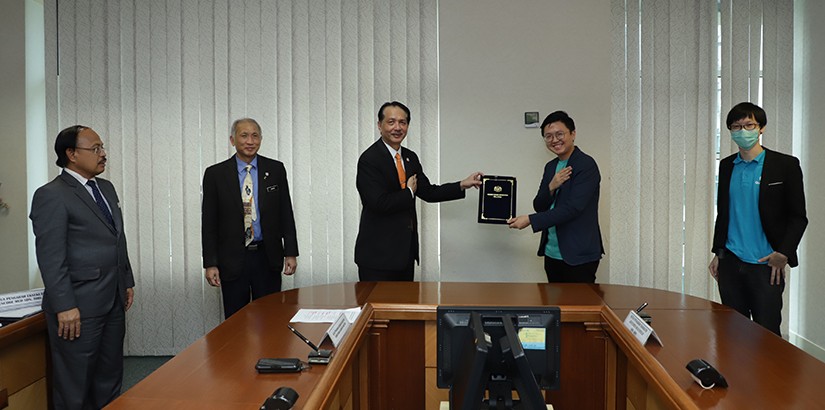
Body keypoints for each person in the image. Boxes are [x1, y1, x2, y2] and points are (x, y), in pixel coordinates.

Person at [30, 125, 136, 409]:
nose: (103, 155)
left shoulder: (106, 188)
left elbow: (117, 238)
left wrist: (126, 280)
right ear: (71, 154)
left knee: (109, 378)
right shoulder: (51, 194)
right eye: (96, 149)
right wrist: (65, 305)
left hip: (112, 299)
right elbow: (51, 257)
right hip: (77, 306)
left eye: (103, 148)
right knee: (74, 385)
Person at [355, 101, 483, 281]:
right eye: (391, 122)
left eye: (403, 122)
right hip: (378, 257)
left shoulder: (409, 157)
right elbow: (378, 203)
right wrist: (408, 192)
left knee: (405, 308)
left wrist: (462, 184)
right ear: (379, 125)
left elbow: (429, 192)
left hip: (405, 255)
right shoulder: (369, 159)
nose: (397, 127)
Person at [709, 102, 807, 336]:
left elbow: (798, 217)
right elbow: (724, 213)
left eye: (749, 125)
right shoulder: (726, 166)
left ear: (761, 127)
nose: (743, 131)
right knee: (732, 333)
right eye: (736, 126)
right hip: (731, 262)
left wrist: (783, 253)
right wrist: (718, 252)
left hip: (766, 265)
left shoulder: (785, 165)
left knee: (767, 334)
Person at [202, 118, 299, 318]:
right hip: (232, 259)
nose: (250, 141)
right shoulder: (215, 174)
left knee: (271, 317)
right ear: (232, 140)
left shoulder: (275, 170)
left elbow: (285, 212)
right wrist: (210, 263)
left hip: (267, 255)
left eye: (255, 135)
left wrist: (290, 252)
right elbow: (209, 223)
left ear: (261, 139)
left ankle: (268, 352)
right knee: (236, 320)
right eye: (244, 135)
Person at [507, 111, 603, 283]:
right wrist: (551, 187)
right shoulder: (551, 166)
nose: (554, 140)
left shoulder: (586, 165)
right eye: (548, 136)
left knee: (578, 307)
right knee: (554, 306)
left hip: (578, 254)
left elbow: (573, 208)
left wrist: (530, 220)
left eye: (560, 134)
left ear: (573, 134)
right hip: (551, 252)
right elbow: (539, 205)